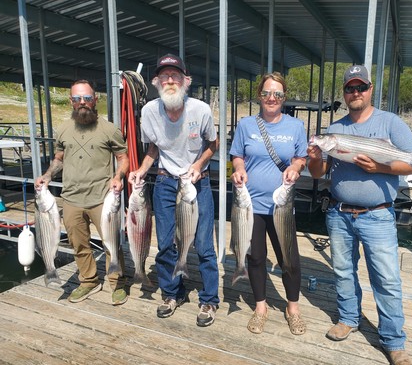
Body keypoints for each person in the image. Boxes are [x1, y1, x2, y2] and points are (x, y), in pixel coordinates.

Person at [307, 65, 412, 365]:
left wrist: (379, 167)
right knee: (343, 272)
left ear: (370, 90)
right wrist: (316, 156)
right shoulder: (336, 130)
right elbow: (319, 173)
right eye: (350, 88)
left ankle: (393, 341)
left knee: (387, 279)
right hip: (339, 214)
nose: (356, 93)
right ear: (344, 94)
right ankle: (348, 319)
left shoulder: (390, 123)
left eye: (361, 87)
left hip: (378, 215)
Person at [128, 54, 220, 327]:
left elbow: (212, 145)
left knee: (204, 245)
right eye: (165, 76)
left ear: (185, 80)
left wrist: (198, 164)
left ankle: (209, 299)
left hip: (197, 183)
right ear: (156, 81)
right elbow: (153, 149)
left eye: (175, 75)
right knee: (166, 243)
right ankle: (172, 293)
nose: (170, 80)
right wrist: (142, 170)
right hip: (166, 182)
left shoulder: (201, 110)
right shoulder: (148, 112)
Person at [35, 79, 129, 305]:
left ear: (96, 100)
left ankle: (118, 282)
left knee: (111, 242)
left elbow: (123, 158)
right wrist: (47, 176)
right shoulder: (63, 129)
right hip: (71, 198)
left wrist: (118, 176)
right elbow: (59, 158)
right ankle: (88, 281)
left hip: (102, 198)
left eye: (87, 98)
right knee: (79, 244)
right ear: (71, 102)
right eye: (77, 99)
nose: (82, 103)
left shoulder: (109, 129)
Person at [230, 72, 307, 335]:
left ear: (284, 97)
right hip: (250, 205)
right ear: (259, 96)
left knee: (290, 259)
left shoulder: (296, 126)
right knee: (256, 257)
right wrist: (238, 169)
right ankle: (260, 307)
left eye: (277, 94)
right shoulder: (246, 125)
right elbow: (237, 156)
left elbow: (301, 157)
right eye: (266, 93)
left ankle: (292, 308)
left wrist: (296, 168)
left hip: (282, 207)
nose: (271, 98)